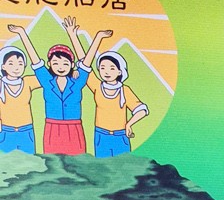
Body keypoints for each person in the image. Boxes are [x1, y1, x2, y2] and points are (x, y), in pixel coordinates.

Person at [8, 17, 110, 155]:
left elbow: (86, 61)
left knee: (77, 165)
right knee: (53, 164)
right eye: (56, 63)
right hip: (52, 129)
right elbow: (35, 59)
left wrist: (98, 37)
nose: (61, 67)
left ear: (72, 65)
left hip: (74, 129)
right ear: (49, 64)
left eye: (65, 64)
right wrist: (22, 33)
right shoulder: (46, 80)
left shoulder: (77, 81)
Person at [76, 42, 148, 157]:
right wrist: (73, 35)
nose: (107, 72)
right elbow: (84, 64)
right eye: (103, 68)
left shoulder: (124, 90)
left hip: (120, 136)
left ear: (120, 71)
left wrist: (129, 124)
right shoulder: (97, 86)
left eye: (112, 68)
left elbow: (141, 110)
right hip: (101, 135)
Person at [0, 46, 39, 153]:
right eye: (11, 63)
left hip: (26, 131)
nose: (16, 68)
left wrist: (72, 72)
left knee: (29, 164)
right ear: (3, 66)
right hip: (6, 132)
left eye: (20, 64)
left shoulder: (28, 81)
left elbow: (47, 77)